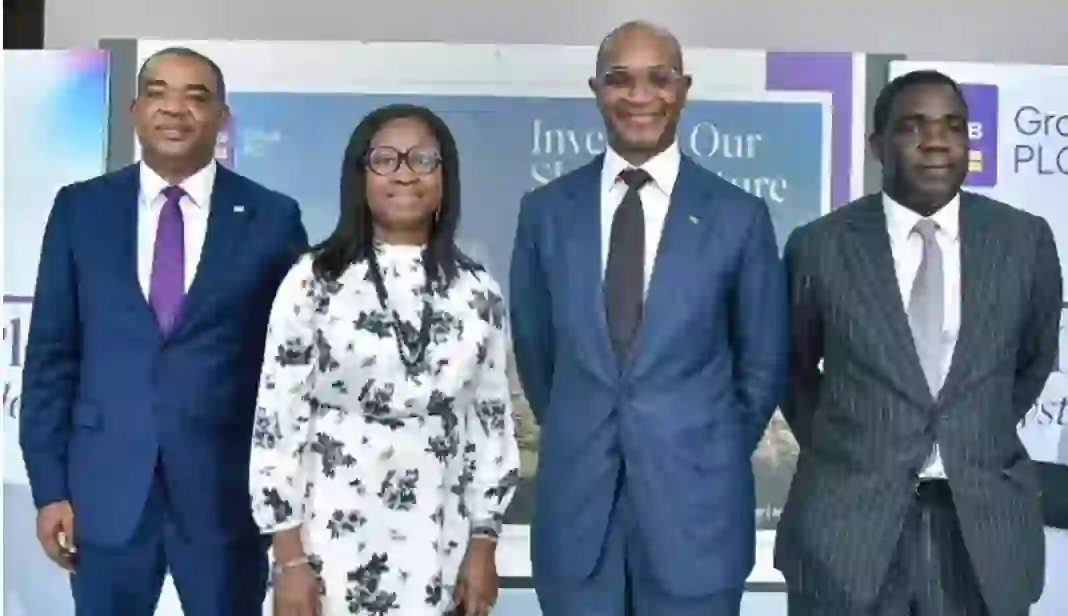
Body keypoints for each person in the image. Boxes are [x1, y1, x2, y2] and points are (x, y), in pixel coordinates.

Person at [509, 21, 787, 616]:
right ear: (596, 90)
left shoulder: (738, 216)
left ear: (683, 89)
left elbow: (762, 365)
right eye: (620, 79)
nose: (640, 96)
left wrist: (703, 447)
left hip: (697, 522)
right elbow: (536, 355)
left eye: (659, 78)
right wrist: (586, 427)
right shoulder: (545, 213)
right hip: (578, 524)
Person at [19, 47, 308, 616]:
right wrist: (50, 489)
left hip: (226, 499)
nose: (175, 109)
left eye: (196, 97)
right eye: (157, 93)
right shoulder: (81, 209)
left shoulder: (273, 218)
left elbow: (292, 371)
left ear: (223, 118)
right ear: (134, 111)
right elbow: (52, 356)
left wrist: (288, 511)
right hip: (104, 494)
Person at [776, 69, 1062, 616]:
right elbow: (790, 369)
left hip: (983, 536)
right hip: (848, 532)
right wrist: (850, 449)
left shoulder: (1023, 241)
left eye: (953, 126)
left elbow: (1032, 359)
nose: (936, 141)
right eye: (914, 126)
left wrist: (968, 431)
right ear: (877, 146)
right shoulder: (820, 246)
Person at [250, 103, 520, 616]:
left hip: (441, 543)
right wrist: (288, 560)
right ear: (360, 176)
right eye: (385, 159)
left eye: (423, 159)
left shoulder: (477, 289)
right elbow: (277, 420)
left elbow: (491, 424)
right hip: (328, 547)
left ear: (445, 177)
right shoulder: (314, 280)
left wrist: (484, 542)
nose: (404, 173)